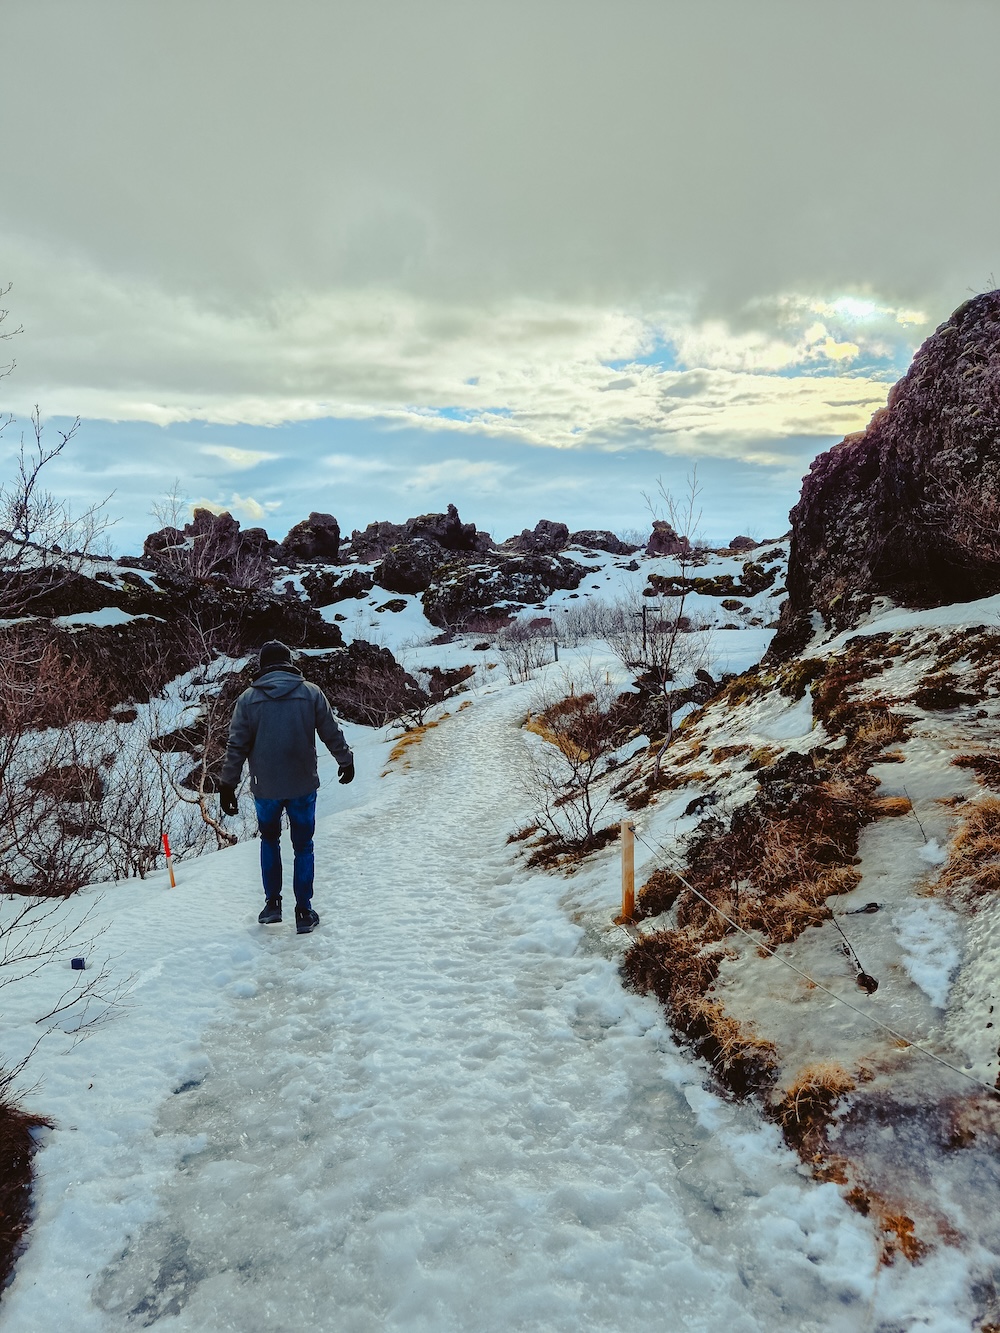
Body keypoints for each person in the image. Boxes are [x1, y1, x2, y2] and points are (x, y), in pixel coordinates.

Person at [218, 640, 354, 934]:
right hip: (302, 783)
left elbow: (236, 745)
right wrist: (346, 760)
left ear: (262, 666)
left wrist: (227, 784)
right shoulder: (310, 693)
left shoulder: (248, 699)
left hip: (265, 787)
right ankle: (304, 912)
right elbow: (330, 731)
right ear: (289, 662)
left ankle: (272, 905)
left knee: (270, 841)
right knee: (303, 845)